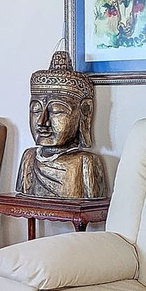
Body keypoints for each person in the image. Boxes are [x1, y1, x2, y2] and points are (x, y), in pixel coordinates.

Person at [15, 50, 108, 199]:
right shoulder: (29, 158)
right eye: (36, 110)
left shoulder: (85, 162)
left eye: (56, 110)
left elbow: (93, 207)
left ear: (84, 111)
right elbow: (21, 202)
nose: (42, 122)